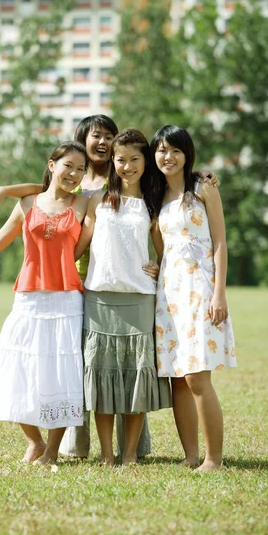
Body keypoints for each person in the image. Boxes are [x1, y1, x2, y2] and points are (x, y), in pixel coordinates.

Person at [0, 114, 153, 460]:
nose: (102, 142)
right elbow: (40, 192)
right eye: (95, 136)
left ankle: (131, 449)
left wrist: (198, 176)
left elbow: (162, 185)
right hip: (79, 283)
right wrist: (4, 189)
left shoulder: (123, 181)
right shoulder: (76, 184)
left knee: (116, 369)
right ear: (82, 140)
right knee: (85, 370)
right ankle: (75, 446)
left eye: (109, 137)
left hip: (104, 283)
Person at [0, 141, 90, 465]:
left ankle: (52, 452)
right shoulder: (27, 203)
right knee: (14, 371)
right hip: (28, 299)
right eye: (68, 165)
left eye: (81, 169)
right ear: (52, 165)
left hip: (67, 301)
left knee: (63, 374)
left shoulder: (83, 204)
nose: (75, 174)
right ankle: (35, 442)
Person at [74, 128, 173, 466]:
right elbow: (79, 246)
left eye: (134, 159)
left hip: (140, 299)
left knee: (137, 379)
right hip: (99, 299)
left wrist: (162, 269)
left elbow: (165, 251)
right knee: (100, 379)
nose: (127, 166)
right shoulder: (97, 199)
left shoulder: (154, 202)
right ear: (112, 161)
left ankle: (129, 453)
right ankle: (105, 453)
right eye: (121, 160)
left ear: (146, 162)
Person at [149, 125, 237, 472]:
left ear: (187, 155)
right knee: (177, 378)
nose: (167, 157)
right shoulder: (155, 196)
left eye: (175, 151)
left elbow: (219, 243)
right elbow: (162, 246)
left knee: (197, 377)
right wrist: (158, 267)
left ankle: (213, 459)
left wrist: (219, 293)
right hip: (169, 295)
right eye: (161, 150)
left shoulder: (203, 189)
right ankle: (190, 456)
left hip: (201, 290)